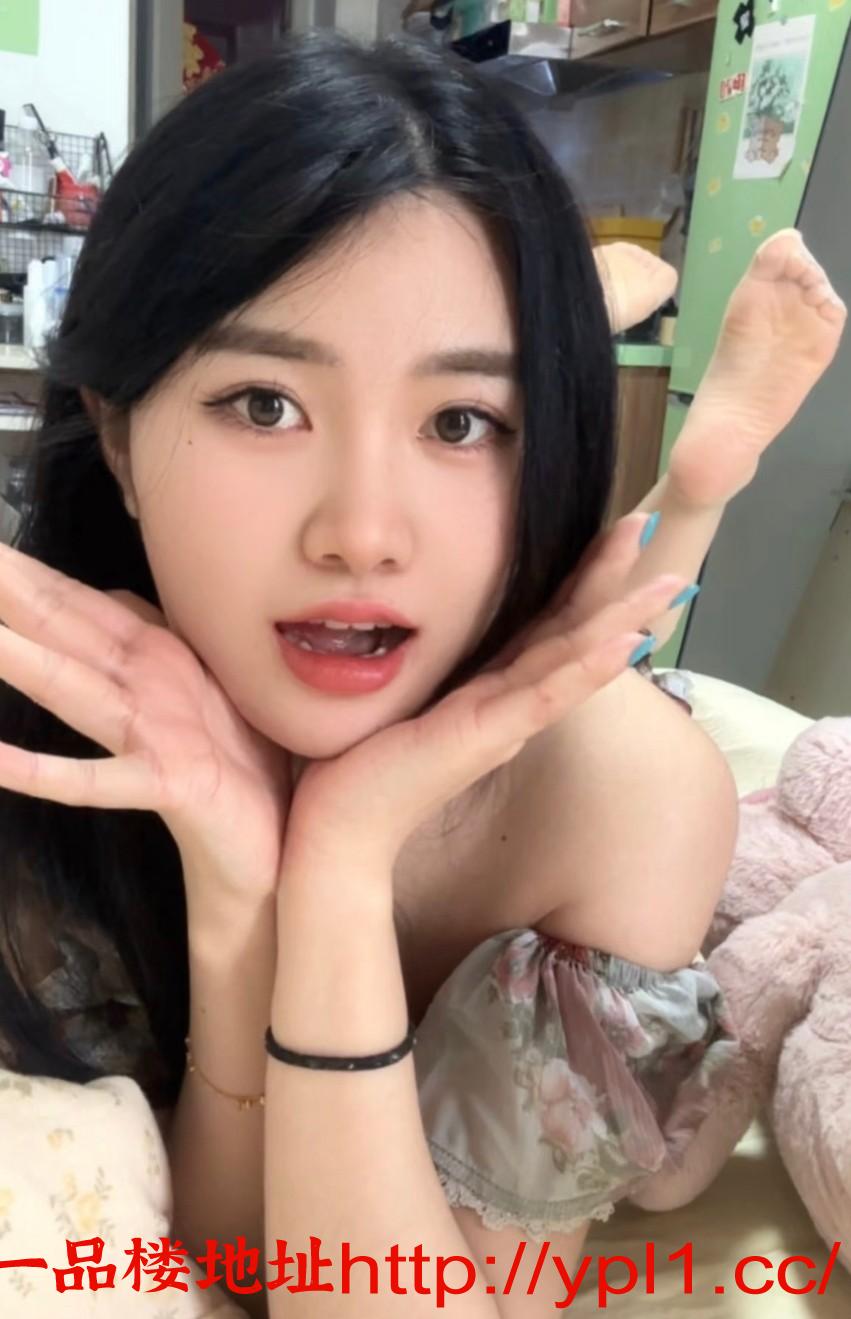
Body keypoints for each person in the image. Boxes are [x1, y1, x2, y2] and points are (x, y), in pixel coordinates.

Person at [0, 30, 844, 1318]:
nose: (362, 533)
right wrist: (241, 903)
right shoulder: (51, 749)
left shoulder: (629, 791)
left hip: (543, 716)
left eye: (461, 421)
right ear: (115, 439)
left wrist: (340, 863)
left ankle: (690, 480)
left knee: (617, 627)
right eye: (265, 403)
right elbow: (238, 1266)